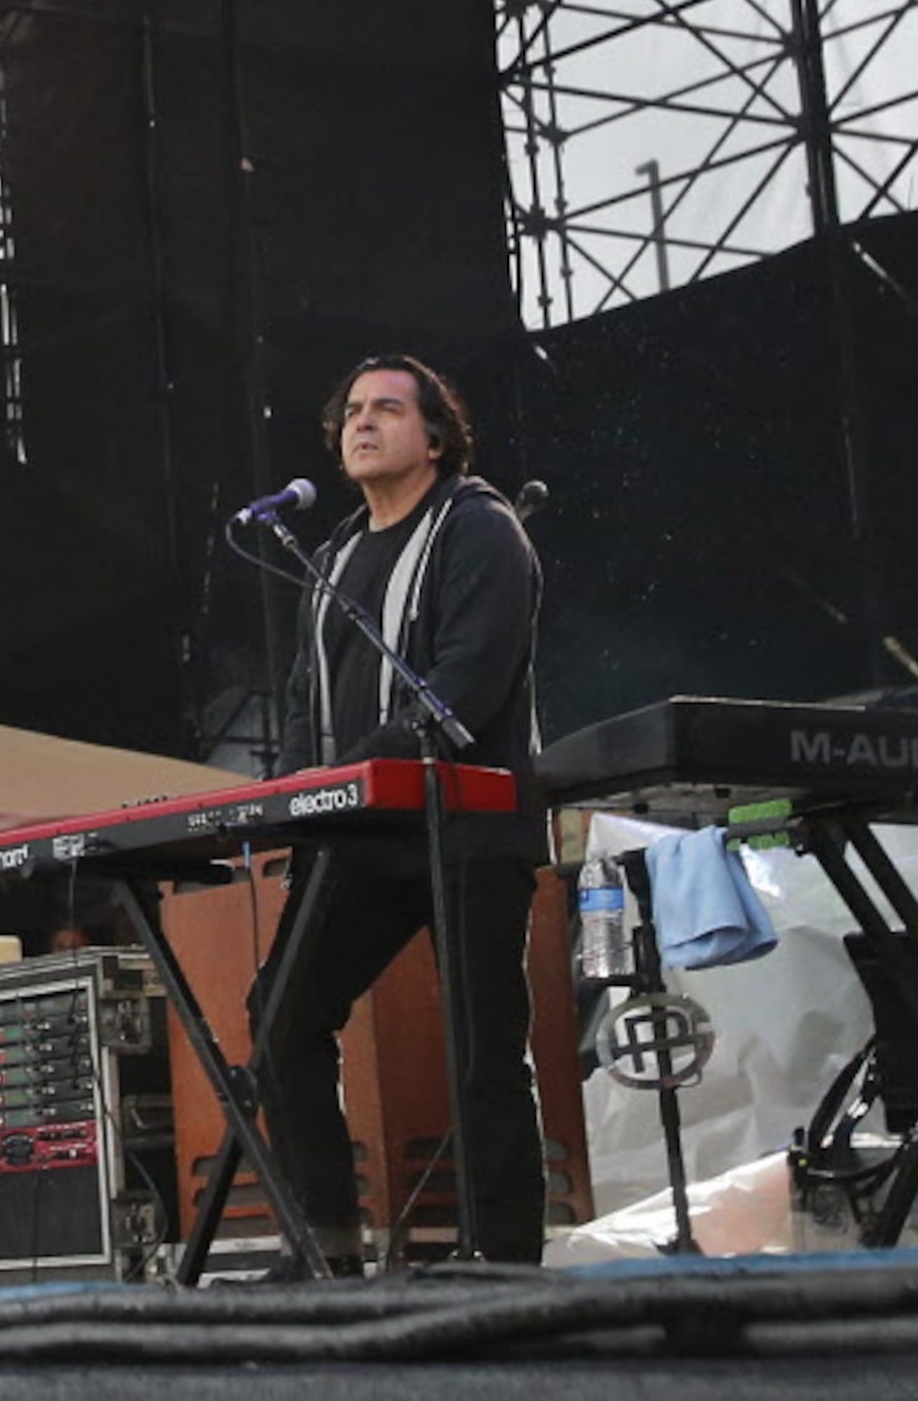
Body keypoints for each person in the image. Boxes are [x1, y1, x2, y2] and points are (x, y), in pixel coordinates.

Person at [250, 355, 548, 1272]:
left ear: (435, 438)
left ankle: (500, 1258)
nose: (362, 423)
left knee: (481, 1042)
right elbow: (306, 699)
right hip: (358, 836)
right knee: (282, 1017)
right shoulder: (332, 553)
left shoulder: (481, 529)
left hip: (465, 824)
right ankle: (326, 1248)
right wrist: (300, 795)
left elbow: (463, 682)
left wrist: (351, 772)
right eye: (350, 413)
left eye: (386, 409)